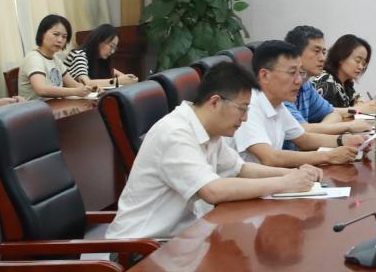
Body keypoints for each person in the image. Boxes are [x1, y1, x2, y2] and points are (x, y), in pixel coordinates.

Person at [105, 60, 322, 240]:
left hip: (182, 241)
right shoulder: (175, 133)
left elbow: (240, 169)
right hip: (141, 249)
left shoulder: (209, 129)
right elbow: (212, 191)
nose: (245, 118)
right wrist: (284, 183)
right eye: (242, 109)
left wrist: (294, 174)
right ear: (215, 102)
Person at [234, 40, 359, 168]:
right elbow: (270, 158)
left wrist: (346, 140)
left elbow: (304, 139)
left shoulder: (278, 104)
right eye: (292, 73)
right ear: (265, 75)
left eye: (300, 72)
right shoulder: (248, 106)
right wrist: (329, 156)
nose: (299, 80)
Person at [280, 26, 371, 136]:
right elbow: (301, 131)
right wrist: (349, 125)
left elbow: (333, 114)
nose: (322, 58)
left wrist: (320, 130)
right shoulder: (282, 89)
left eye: (323, 52)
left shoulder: (306, 85)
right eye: (316, 51)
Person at [20, 14, 93, 101]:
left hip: (55, 106)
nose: (60, 40)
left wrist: (90, 89)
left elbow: (74, 85)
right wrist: (75, 91)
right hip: (35, 108)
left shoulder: (55, 59)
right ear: (42, 34)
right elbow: (41, 90)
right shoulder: (34, 58)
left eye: (64, 37)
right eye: (56, 34)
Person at [314, 34, 376, 112]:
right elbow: (326, 113)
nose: (361, 67)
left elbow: (357, 100)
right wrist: (359, 109)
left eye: (363, 63)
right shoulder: (327, 81)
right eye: (358, 61)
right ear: (341, 57)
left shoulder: (346, 83)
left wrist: (360, 103)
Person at [61, 24, 136, 89]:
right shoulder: (79, 55)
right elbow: (86, 83)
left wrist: (130, 79)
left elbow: (125, 77)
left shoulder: (100, 60)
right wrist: (117, 81)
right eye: (111, 46)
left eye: (114, 48)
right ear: (98, 40)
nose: (112, 51)